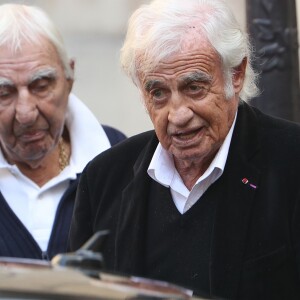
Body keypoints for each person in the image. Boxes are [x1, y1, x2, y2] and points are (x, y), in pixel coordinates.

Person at [69, 0, 300, 299]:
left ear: (236, 74)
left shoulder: (292, 163)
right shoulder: (103, 179)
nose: (178, 115)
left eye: (194, 87)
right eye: (159, 93)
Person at [0, 4, 126, 261]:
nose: (26, 113)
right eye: (4, 93)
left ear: (69, 78)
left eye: (41, 86)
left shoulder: (120, 160)